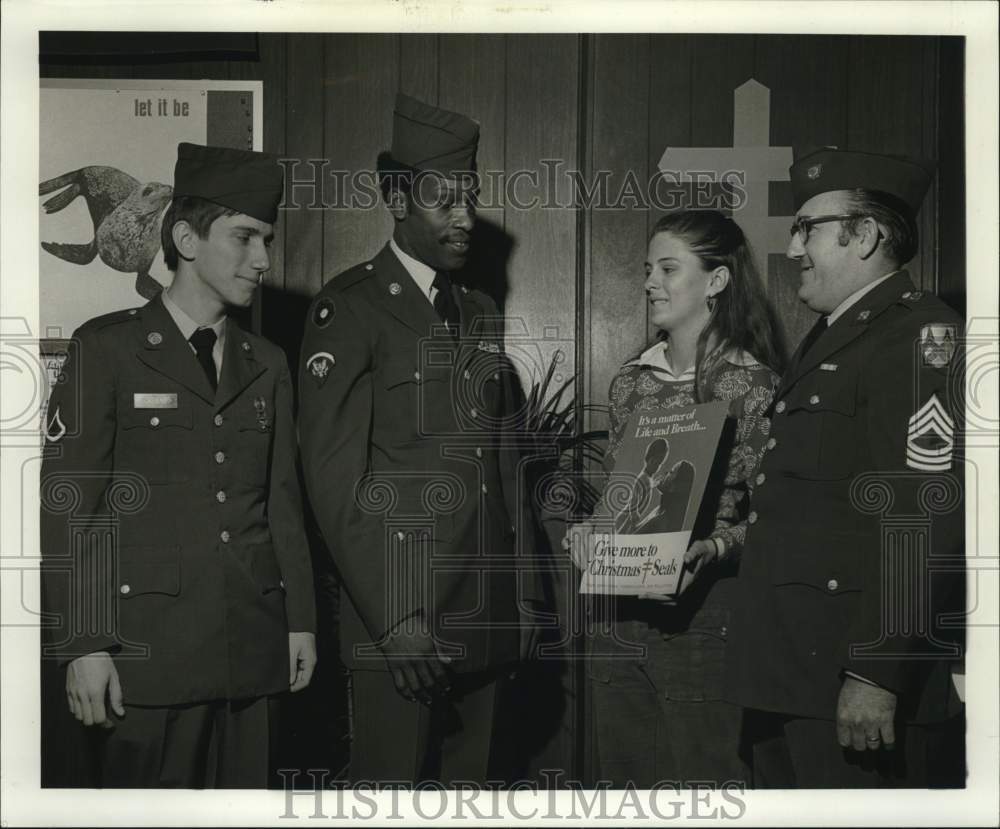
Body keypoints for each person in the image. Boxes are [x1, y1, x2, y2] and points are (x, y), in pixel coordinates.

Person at [39, 142, 317, 788]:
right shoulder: (106, 350)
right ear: (187, 239)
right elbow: (70, 509)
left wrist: (299, 619)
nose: (264, 259)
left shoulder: (268, 363)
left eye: (268, 239)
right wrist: (82, 643)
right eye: (245, 237)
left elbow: (283, 506)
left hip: (251, 657)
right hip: (146, 665)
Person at [298, 93, 541, 785]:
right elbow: (334, 479)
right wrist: (394, 617)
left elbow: (501, 462)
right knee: (390, 793)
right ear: (396, 197)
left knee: (477, 796)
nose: (465, 217)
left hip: (487, 614)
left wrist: (523, 595)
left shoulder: (479, 310)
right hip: (405, 627)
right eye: (445, 199)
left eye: (470, 196)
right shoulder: (347, 309)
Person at [725, 148, 965, 788]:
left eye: (808, 227)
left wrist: (876, 670)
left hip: (847, 679)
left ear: (865, 236)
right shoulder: (839, 332)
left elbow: (921, 512)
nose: (793, 246)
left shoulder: (918, 336)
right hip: (792, 673)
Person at [565, 209, 784, 787]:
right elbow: (620, 495)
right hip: (617, 618)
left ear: (716, 281)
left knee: (705, 786)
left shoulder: (754, 385)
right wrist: (589, 532)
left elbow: (774, 521)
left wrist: (713, 550)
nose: (649, 283)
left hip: (705, 619)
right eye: (646, 269)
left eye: (668, 268)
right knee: (624, 786)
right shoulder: (631, 380)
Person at [615, 438, 669, 533]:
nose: (657, 467)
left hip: (631, 517)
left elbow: (647, 488)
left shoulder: (648, 478)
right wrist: (634, 513)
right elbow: (634, 497)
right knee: (622, 534)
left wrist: (656, 483)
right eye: (656, 462)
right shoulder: (642, 478)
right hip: (626, 517)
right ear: (649, 459)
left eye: (660, 464)